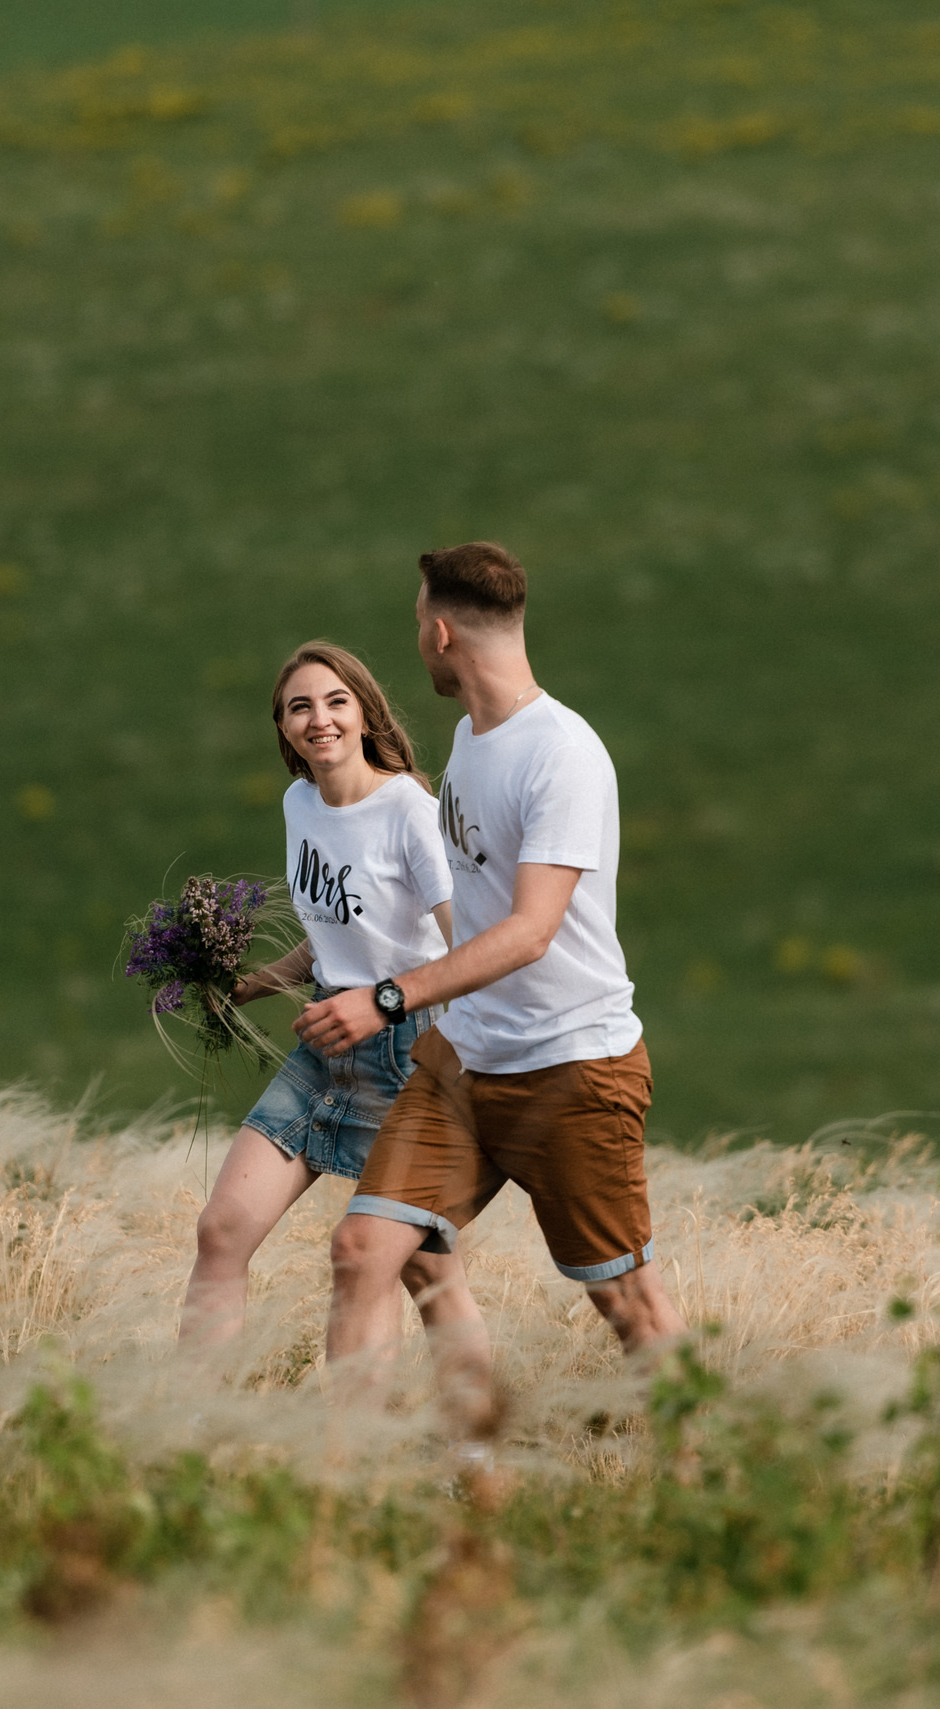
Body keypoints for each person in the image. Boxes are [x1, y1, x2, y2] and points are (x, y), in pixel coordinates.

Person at [294, 541, 682, 1398]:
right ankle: (347, 1488)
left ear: (439, 634)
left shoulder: (562, 753)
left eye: (414, 628)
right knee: (362, 1249)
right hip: (464, 1061)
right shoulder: (472, 737)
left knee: (628, 1301)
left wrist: (386, 1000)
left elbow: (530, 931)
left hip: (573, 1067)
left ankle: (706, 1480)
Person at [177, 641, 487, 1374]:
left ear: (364, 712)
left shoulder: (412, 812)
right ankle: (190, 1431)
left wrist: (382, 1006)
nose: (320, 719)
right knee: (221, 1231)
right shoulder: (300, 804)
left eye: (335, 701)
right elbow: (332, 940)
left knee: (427, 1274)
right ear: (282, 728)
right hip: (322, 1044)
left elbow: (467, 955)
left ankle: (472, 1454)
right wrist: (252, 983)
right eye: (300, 707)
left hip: (405, 1053)